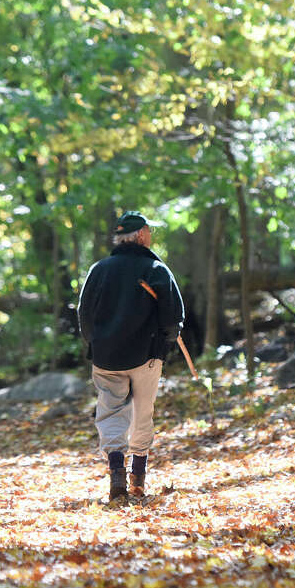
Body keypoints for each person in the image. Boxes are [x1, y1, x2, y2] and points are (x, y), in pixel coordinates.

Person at [77, 211, 185, 502]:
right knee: (142, 412)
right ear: (140, 236)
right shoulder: (156, 269)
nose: (151, 236)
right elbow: (174, 317)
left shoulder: (98, 270)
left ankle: (116, 473)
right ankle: (137, 477)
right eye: (149, 231)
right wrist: (164, 346)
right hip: (146, 356)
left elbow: (84, 315)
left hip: (106, 358)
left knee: (110, 413)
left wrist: (95, 345)